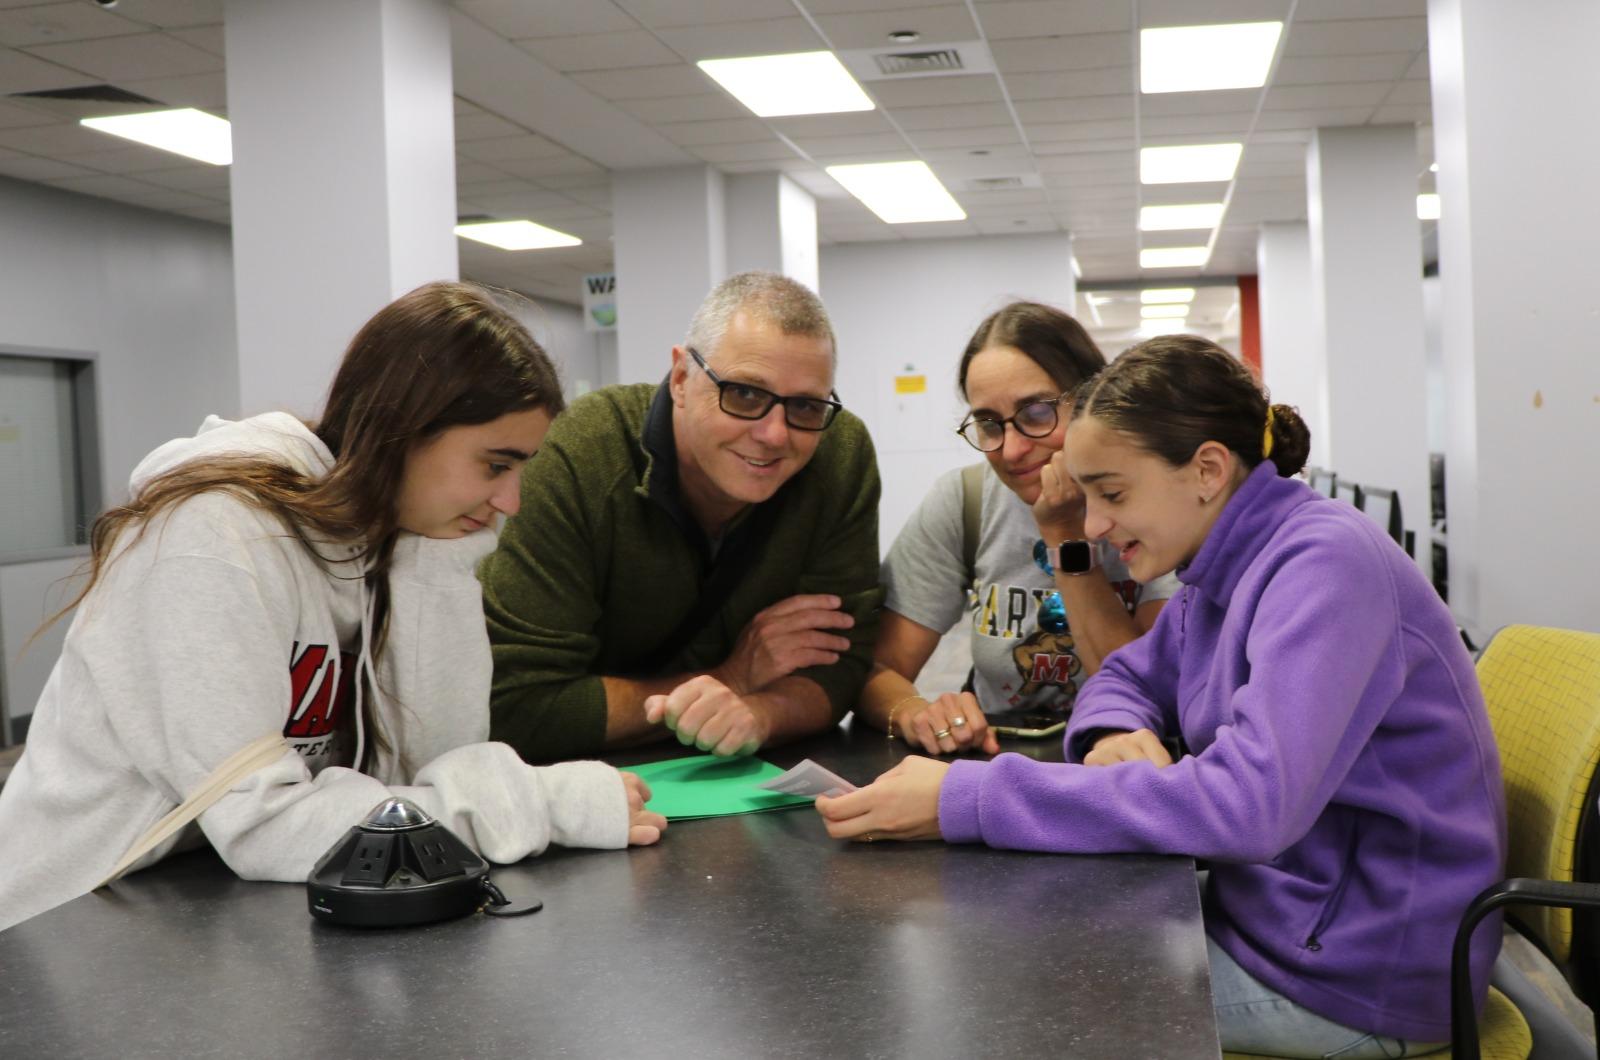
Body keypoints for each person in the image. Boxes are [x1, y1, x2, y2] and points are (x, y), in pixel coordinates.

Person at [816, 335, 1505, 1057]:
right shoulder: (1225, 562)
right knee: (1015, 940)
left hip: (1359, 974)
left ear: (1207, 469)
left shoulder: (1323, 564)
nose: (1092, 527)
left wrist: (970, 797)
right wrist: (1112, 730)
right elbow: (1126, 674)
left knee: (1017, 1003)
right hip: (1287, 922)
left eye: (1112, 494)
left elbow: (1248, 806)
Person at [0, 282, 666, 933]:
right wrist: (541, 806)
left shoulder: (393, 542)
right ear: (400, 430)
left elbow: (430, 767)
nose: (511, 503)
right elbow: (260, 824)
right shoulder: (212, 537)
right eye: (495, 466)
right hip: (63, 927)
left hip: (202, 907)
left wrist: (434, 562)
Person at [483, 271, 882, 762]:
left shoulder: (839, 454)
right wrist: (732, 679)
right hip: (581, 789)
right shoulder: (582, 455)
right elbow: (520, 706)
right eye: (745, 394)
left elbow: (839, 666)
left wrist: (760, 714)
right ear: (680, 379)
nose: (775, 434)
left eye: (804, 405)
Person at [857, 302, 1179, 756]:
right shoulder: (964, 500)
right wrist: (917, 711)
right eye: (988, 424)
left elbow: (1148, 689)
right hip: (1000, 756)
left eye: (1035, 413)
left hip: (1124, 760)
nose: (1011, 451)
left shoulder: (1159, 506)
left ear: (1093, 401)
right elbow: (874, 668)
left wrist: (1065, 535)